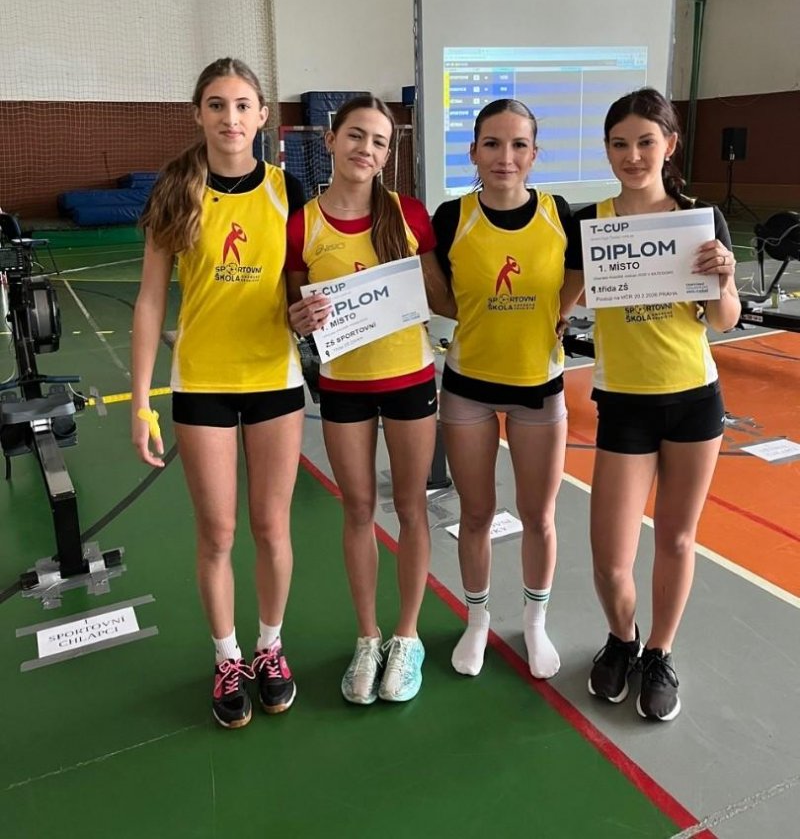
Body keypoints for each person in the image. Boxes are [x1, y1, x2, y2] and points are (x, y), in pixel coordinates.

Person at [131, 57, 307, 729]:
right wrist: (141, 401)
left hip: (274, 380)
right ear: (197, 114)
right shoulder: (176, 191)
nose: (230, 117)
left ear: (262, 115)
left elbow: (301, 285)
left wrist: (310, 311)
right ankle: (227, 656)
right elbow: (150, 301)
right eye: (216, 104)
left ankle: (270, 648)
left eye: (241, 105)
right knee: (218, 532)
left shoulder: (289, 191)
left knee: (271, 526)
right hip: (201, 382)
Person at [565, 87, 741, 722]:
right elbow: (560, 302)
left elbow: (723, 320)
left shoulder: (701, 220)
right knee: (611, 561)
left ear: (670, 145)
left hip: (694, 400)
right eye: (620, 144)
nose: (633, 155)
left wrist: (724, 277)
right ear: (607, 149)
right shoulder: (590, 223)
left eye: (646, 141)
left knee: (676, 538)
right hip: (624, 405)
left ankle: (660, 651)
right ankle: (623, 638)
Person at [285, 95, 447, 705]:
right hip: (343, 388)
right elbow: (293, 310)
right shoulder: (302, 225)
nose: (366, 149)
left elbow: (443, 298)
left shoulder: (409, 215)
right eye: (356, 135)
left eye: (379, 141)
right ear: (330, 141)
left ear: (387, 154)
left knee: (410, 508)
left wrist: (421, 274)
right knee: (357, 510)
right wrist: (298, 317)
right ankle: (368, 636)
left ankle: (407, 636)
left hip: (410, 380)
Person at [431, 98, 582, 680]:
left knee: (538, 514)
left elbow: (578, 275)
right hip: (468, 387)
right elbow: (438, 293)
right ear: (473, 152)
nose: (505, 156)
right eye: (492, 144)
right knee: (476, 513)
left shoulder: (559, 214)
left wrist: (559, 314)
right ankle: (476, 620)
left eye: (519, 144)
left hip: (538, 387)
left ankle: (535, 622)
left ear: (535, 153)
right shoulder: (453, 217)